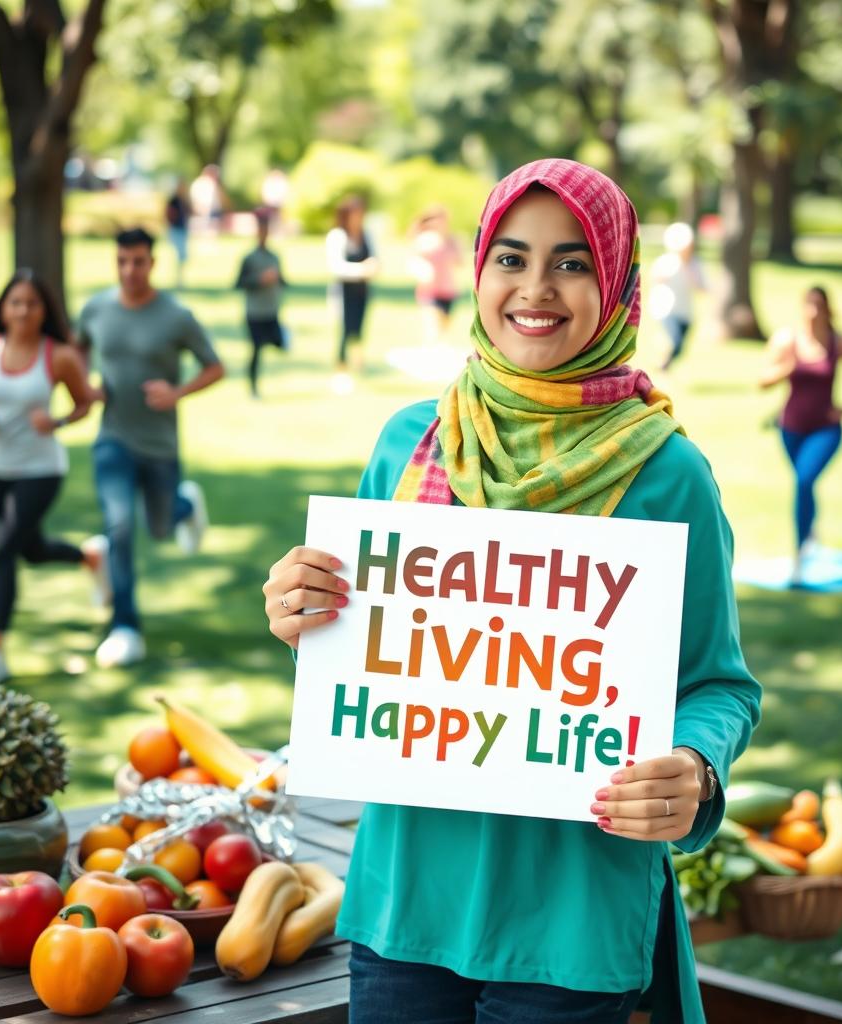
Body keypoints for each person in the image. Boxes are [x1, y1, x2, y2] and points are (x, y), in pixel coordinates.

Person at [263, 159, 761, 1023]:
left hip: (568, 918)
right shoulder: (410, 442)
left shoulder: (666, 473)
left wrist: (694, 765)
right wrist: (302, 609)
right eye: (511, 258)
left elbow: (720, 683)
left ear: (616, 285)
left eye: (572, 263)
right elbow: (367, 641)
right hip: (406, 904)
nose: (537, 288)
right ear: (480, 268)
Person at [77, 227, 225, 668]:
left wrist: (176, 392)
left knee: (159, 529)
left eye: (138, 261)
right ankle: (125, 626)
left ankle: (184, 506)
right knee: (120, 526)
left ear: (152, 262)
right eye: (122, 261)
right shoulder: (96, 308)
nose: (129, 270)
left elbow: (215, 367)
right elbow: (75, 350)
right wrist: (84, 386)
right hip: (113, 439)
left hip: (160, 444)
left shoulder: (175, 316)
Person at [0, 270, 108, 685]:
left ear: (44, 310)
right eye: (16, 302)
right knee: (29, 550)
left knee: (4, 550)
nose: (23, 311)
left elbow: (85, 402)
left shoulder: (58, 355)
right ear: (4, 308)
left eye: (32, 303)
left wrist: (58, 421)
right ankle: (90, 558)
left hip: (41, 469)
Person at [759, 285, 842, 584]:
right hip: (790, 428)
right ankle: (811, 530)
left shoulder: (841, 343)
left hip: (826, 429)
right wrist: (786, 368)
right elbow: (762, 381)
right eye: (809, 304)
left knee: (804, 480)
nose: (814, 311)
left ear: (828, 309)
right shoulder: (787, 341)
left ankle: (800, 553)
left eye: (819, 305)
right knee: (805, 484)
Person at [325, 195, 378, 393]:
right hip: (344, 292)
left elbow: (375, 257)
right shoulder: (338, 236)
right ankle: (341, 368)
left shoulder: (366, 235)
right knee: (344, 331)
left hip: (362, 292)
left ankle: (357, 365)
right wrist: (361, 270)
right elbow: (336, 266)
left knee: (358, 330)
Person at [234, 208, 288, 398]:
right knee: (256, 350)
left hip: (271, 309)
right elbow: (239, 283)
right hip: (255, 311)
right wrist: (260, 280)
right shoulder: (249, 258)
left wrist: (277, 280)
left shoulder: (274, 257)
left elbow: (284, 281)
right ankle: (253, 387)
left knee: (279, 343)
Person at [647, 221, 706, 370]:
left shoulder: (695, 264)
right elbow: (655, 281)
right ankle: (662, 365)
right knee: (675, 340)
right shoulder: (666, 262)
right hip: (667, 310)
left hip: (685, 312)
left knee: (679, 348)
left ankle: (664, 363)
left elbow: (702, 287)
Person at [409, 205, 461, 345]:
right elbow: (413, 260)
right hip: (429, 291)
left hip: (448, 290)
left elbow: (459, 262)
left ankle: (438, 354)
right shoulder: (425, 239)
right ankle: (429, 355)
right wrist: (423, 270)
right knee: (432, 327)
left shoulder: (452, 240)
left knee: (444, 328)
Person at [165, 179, 191, 289]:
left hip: (182, 229)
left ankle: (180, 279)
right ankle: (177, 279)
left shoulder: (183, 200)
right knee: (178, 254)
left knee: (182, 256)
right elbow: (169, 213)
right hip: (176, 229)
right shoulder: (174, 200)